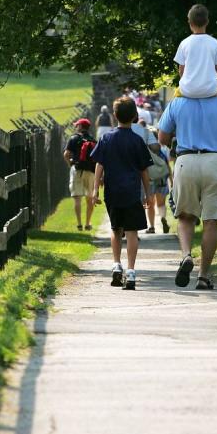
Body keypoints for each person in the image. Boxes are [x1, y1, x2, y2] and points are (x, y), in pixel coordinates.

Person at [157, 92, 217, 290]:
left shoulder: (177, 103)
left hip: (186, 160)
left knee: (185, 217)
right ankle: (203, 275)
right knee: (211, 220)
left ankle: (186, 255)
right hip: (215, 161)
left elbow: (162, 136)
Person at [90, 97, 154, 290]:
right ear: (135, 116)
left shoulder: (106, 138)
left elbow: (99, 164)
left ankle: (116, 264)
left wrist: (95, 190)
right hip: (132, 193)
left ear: (114, 116)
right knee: (132, 231)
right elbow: (144, 170)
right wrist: (147, 193)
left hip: (112, 192)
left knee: (115, 229)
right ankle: (131, 271)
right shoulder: (137, 140)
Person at [174, 4, 217, 99]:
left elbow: (181, 70)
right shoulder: (215, 43)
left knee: (174, 100)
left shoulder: (184, 43)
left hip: (187, 90)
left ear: (190, 23)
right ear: (207, 22)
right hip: (210, 90)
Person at [62, 118, 96, 231]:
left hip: (77, 169)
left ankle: (79, 224)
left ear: (81, 127)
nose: (76, 127)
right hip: (90, 171)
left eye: (77, 125)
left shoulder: (74, 138)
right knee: (89, 198)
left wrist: (70, 164)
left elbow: (66, 154)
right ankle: (88, 223)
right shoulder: (93, 140)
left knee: (77, 199)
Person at [145, 139, 172, 234]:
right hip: (162, 179)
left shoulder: (145, 151)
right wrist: (171, 181)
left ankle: (152, 227)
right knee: (161, 204)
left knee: (150, 204)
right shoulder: (162, 150)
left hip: (150, 180)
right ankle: (163, 218)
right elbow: (168, 166)